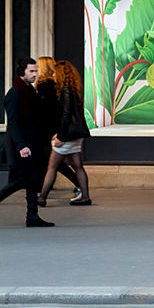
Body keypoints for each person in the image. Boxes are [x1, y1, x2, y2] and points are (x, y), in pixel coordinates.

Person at [0, 57, 52, 227]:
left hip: (31, 143)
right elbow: (12, 123)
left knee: (32, 179)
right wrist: (21, 146)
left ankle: (32, 216)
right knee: (20, 181)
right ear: (22, 72)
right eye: (31, 71)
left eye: (36, 71)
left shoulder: (30, 92)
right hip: (20, 145)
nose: (35, 74)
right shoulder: (15, 93)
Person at [40, 59, 93, 206]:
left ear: (61, 74)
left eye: (55, 72)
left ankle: (41, 197)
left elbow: (66, 115)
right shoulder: (74, 90)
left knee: (52, 167)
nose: (53, 75)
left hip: (68, 136)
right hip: (76, 135)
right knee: (77, 166)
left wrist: (60, 136)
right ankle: (85, 197)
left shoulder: (65, 91)